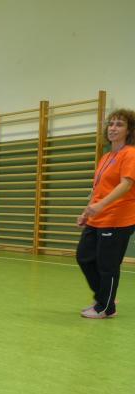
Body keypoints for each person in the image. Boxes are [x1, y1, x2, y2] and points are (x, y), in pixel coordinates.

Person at [76, 108, 135, 319]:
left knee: (107, 265)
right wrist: (87, 212)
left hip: (118, 218)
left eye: (119, 124)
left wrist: (101, 206)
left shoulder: (130, 154)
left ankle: (105, 307)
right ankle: (105, 296)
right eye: (111, 124)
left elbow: (126, 184)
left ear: (129, 130)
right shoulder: (106, 157)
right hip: (98, 218)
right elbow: (97, 189)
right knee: (84, 256)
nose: (113, 128)